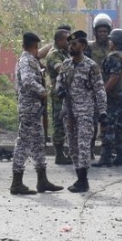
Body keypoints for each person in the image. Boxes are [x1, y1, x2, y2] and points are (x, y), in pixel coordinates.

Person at [10, 32, 63, 195]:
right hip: (29, 109)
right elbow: (27, 80)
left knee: (39, 142)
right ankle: (16, 183)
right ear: (35, 46)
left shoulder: (31, 59)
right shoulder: (26, 60)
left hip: (34, 109)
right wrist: (42, 91)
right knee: (24, 144)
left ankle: (42, 180)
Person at [56, 31, 107, 192]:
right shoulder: (66, 65)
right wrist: (59, 90)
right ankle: (79, 177)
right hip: (69, 112)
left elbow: (99, 89)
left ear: (83, 46)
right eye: (70, 44)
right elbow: (59, 82)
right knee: (72, 146)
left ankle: (83, 180)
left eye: (75, 44)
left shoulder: (91, 66)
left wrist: (103, 111)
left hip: (85, 112)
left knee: (83, 145)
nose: (72, 47)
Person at [92, 28, 122, 168]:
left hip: (113, 96)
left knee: (108, 126)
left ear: (114, 42)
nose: (108, 42)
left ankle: (106, 157)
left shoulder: (113, 56)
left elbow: (114, 76)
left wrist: (102, 92)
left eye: (110, 40)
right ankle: (120, 156)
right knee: (119, 126)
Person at [43, 29, 72, 165]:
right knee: (59, 123)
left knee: (67, 123)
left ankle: (66, 153)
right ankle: (59, 154)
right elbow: (61, 69)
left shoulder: (65, 53)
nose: (69, 42)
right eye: (67, 39)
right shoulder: (54, 54)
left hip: (68, 93)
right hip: (58, 94)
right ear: (59, 40)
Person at [88, 14, 113, 159]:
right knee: (91, 123)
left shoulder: (113, 47)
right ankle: (89, 150)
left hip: (109, 90)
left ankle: (106, 152)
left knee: (107, 123)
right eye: (100, 31)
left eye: (105, 31)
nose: (102, 34)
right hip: (92, 91)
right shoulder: (89, 47)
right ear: (95, 32)